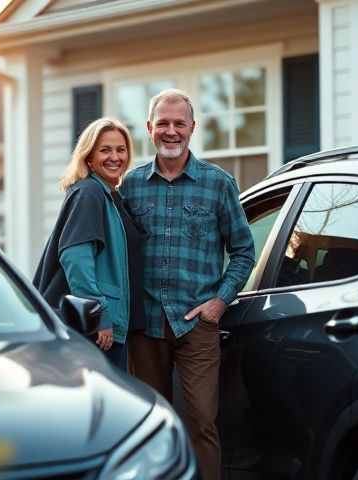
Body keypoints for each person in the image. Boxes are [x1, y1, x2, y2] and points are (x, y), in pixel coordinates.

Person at [120, 89, 255, 480]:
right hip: (145, 323)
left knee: (200, 422)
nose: (171, 131)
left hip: (197, 324)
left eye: (179, 123)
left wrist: (219, 302)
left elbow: (244, 251)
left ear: (193, 128)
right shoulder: (130, 186)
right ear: (149, 128)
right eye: (163, 123)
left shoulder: (218, 184)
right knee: (151, 423)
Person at [33, 117, 146, 371]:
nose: (115, 157)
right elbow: (76, 258)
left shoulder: (110, 196)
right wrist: (99, 315)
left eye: (121, 149)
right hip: (95, 330)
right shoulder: (89, 193)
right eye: (105, 150)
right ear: (89, 157)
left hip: (109, 327)